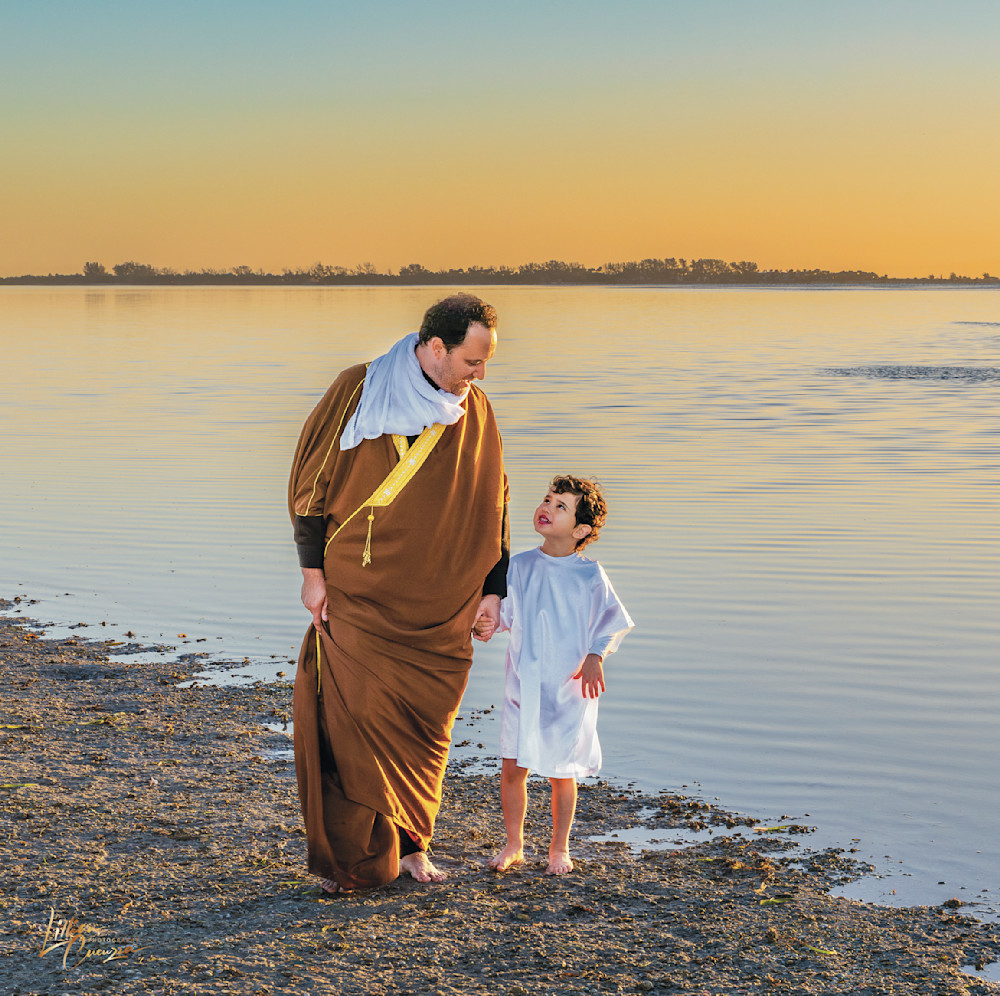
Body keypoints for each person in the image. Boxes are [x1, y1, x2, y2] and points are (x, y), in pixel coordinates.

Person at [288, 293, 509, 892]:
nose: (481, 374)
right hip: (358, 594)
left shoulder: (477, 408)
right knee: (354, 723)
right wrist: (312, 574)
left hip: (443, 609)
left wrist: (494, 592)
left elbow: (495, 505)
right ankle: (354, 860)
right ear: (435, 348)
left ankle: (415, 846)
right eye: (472, 360)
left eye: (486, 361)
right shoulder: (358, 389)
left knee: (424, 732)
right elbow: (311, 483)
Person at [477, 475, 633, 875]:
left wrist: (597, 655)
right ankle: (514, 843)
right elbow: (506, 614)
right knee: (513, 768)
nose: (547, 507)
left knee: (562, 772)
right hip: (523, 685)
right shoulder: (519, 566)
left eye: (560, 506)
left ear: (581, 530)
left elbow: (611, 622)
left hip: (570, 688)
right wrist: (486, 623)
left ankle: (558, 848)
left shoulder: (590, 575)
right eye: (547, 499)